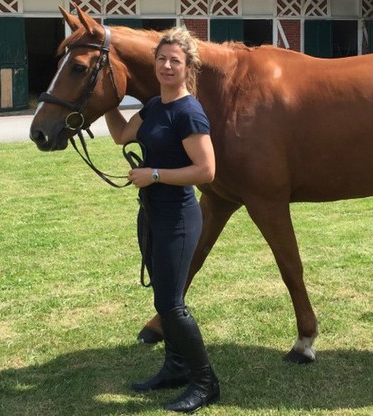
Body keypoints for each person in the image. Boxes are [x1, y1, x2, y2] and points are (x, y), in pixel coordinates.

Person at [103, 27, 218, 413]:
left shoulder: (189, 112)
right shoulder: (154, 107)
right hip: (151, 214)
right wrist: (106, 101)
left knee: (171, 304)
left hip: (179, 218)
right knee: (164, 297)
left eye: (175, 61)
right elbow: (121, 135)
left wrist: (153, 174)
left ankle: (206, 383)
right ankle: (174, 367)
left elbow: (206, 170)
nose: (167, 66)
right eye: (162, 59)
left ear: (188, 68)